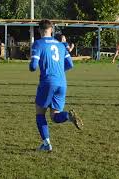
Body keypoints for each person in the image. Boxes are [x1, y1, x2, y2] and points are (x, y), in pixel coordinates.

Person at [29, 20, 84, 152]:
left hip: (48, 82)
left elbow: (33, 67)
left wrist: (33, 62)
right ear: (52, 30)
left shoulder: (38, 44)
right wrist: (57, 71)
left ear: (39, 30)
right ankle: (68, 116)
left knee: (40, 113)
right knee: (55, 116)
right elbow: (70, 64)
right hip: (62, 82)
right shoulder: (60, 45)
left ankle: (47, 144)